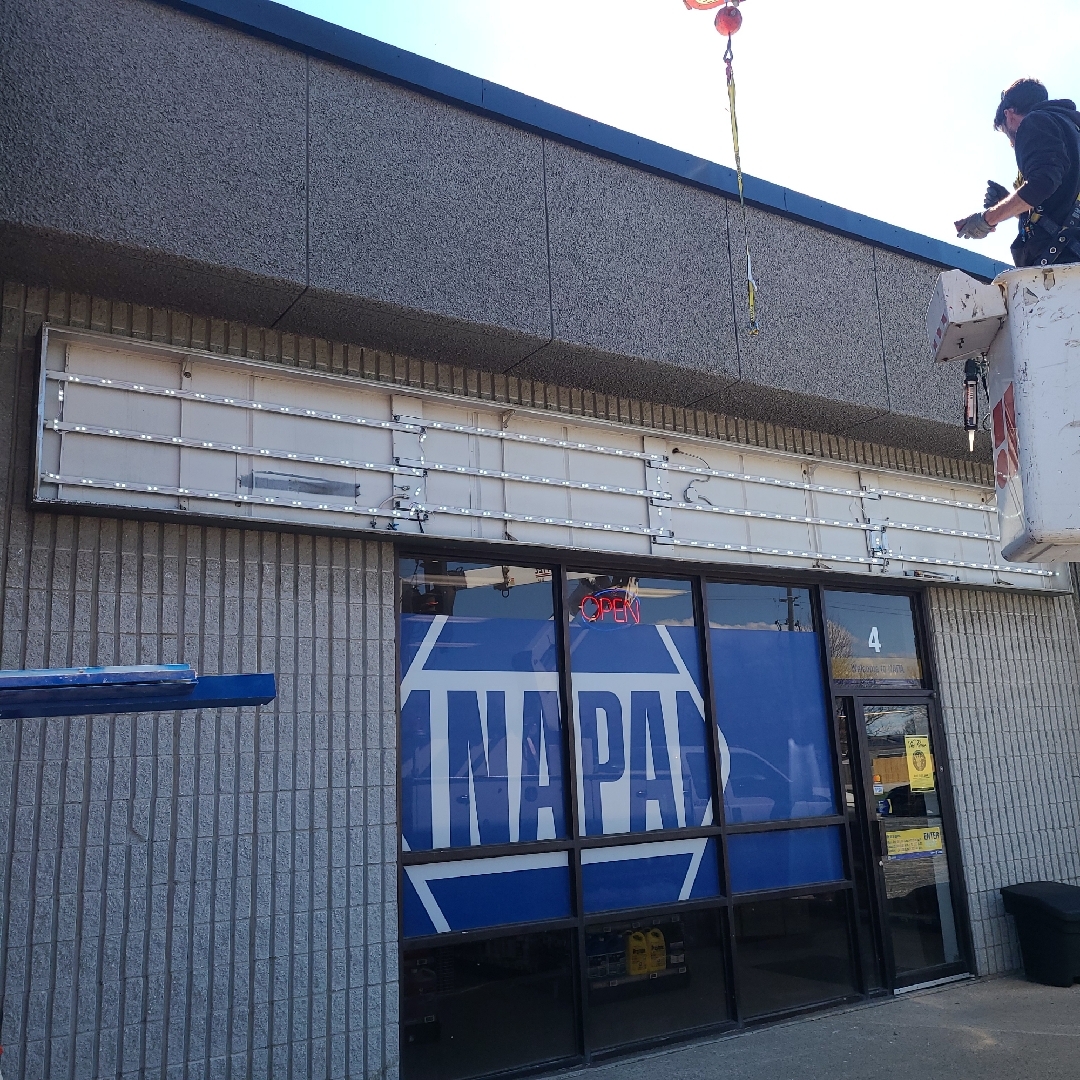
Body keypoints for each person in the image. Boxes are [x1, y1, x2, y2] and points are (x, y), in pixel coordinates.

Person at [955, 79, 1080, 266]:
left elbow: (1043, 183)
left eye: (1008, 134)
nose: (1013, 144)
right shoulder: (1072, 131)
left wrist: (986, 219)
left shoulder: (1035, 121)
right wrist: (1010, 204)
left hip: (1063, 266)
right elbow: (1061, 200)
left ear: (1009, 114)